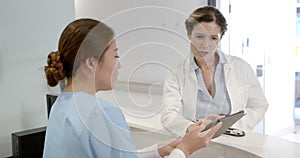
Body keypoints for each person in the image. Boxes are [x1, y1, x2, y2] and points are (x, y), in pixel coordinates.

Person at [43, 18, 222, 158]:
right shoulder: (102, 114)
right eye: (116, 55)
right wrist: (185, 149)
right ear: (91, 62)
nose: (119, 66)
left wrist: (158, 151)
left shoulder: (60, 106)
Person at [161, 6, 269, 137]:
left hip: (234, 141)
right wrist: (194, 128)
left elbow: (259, 105)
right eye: (199, 36)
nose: (205, 45)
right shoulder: (176, 72)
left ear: (221, 37)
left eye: (213, 38)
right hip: (194, 141)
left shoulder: (240, 67)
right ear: (189, 35)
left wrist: (228, 127)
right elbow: (169, 115)